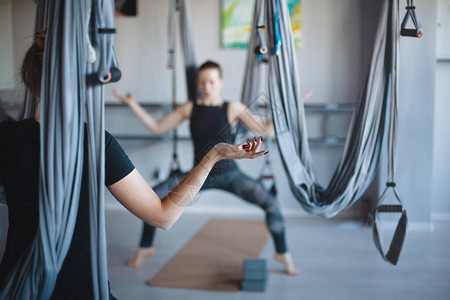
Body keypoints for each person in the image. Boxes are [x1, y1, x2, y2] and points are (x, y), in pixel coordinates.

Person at [0, 34, 267, 299]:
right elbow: (163, 216)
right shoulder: (95, 143)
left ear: (29, 79)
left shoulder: (6, 137)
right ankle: (145, 249)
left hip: (14, 284)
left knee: (270, 206)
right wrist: (215, 154)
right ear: (78, 82)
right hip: (78, 286)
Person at [112, 60, 299, 277]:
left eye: (211, 82)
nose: (206, 87)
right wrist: (133, 103)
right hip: (197, 176)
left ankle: (283, 255)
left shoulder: (233, 108)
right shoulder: (190, 108)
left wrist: (291, 108)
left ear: (220, 83)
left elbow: (266, 129)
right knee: (152, 199)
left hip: (229, 174)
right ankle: (145, 248)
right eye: (202, 83)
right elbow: (157, 127)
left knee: (272, 205)